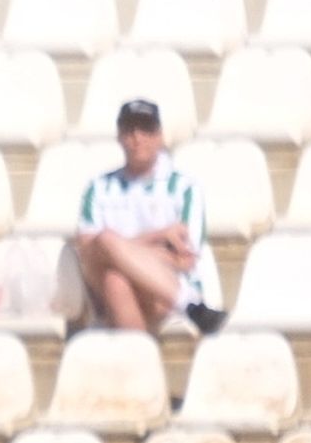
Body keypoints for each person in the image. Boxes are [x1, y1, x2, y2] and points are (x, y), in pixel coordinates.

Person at [74, 98, 226, 334]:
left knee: (110, 256)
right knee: (113, 274)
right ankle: (191, 306)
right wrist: (160, 237)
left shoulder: (185, 188)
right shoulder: (98, 187)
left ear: (159, 136)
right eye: (129, 130)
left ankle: (137, 360)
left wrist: (113, 252)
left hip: (164, 288)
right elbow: (87, 250)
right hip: (114, 289)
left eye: (146, 129)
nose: (137, 138)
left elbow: (185, 257)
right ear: (119, 136)